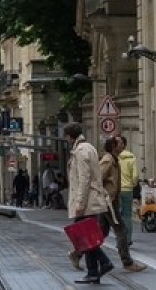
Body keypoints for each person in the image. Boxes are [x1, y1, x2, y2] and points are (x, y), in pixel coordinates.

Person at [64, 122, 114, 284]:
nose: (66, 140)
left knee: (84, 237)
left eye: (66, 137)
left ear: (70, 136)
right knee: (86, 236)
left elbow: (84, 179)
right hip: (90, 200)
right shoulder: (88, 148)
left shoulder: (81, 151)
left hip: (87, 202)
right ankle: (92, 272)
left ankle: (105, 262)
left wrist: (80, 202)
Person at [97, 136, 144, 273]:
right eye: (120, 143)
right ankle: (127, 262)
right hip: (109, 202)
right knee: (122, 230)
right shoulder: (108, 160)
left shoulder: (114, 159)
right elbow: (98, 178)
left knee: (102, 232)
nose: (123, 144)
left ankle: (78, 253)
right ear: (113, 146)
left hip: (111, 200)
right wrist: (105, 194)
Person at [116, 136, 138, 251]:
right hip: (128, 190)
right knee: (127, 216)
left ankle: (119, 240)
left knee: (117, 216)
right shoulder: (132, 157)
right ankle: (128, 239)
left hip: (116, 190)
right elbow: (135, 176)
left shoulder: (114, 157)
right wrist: (131, 184)